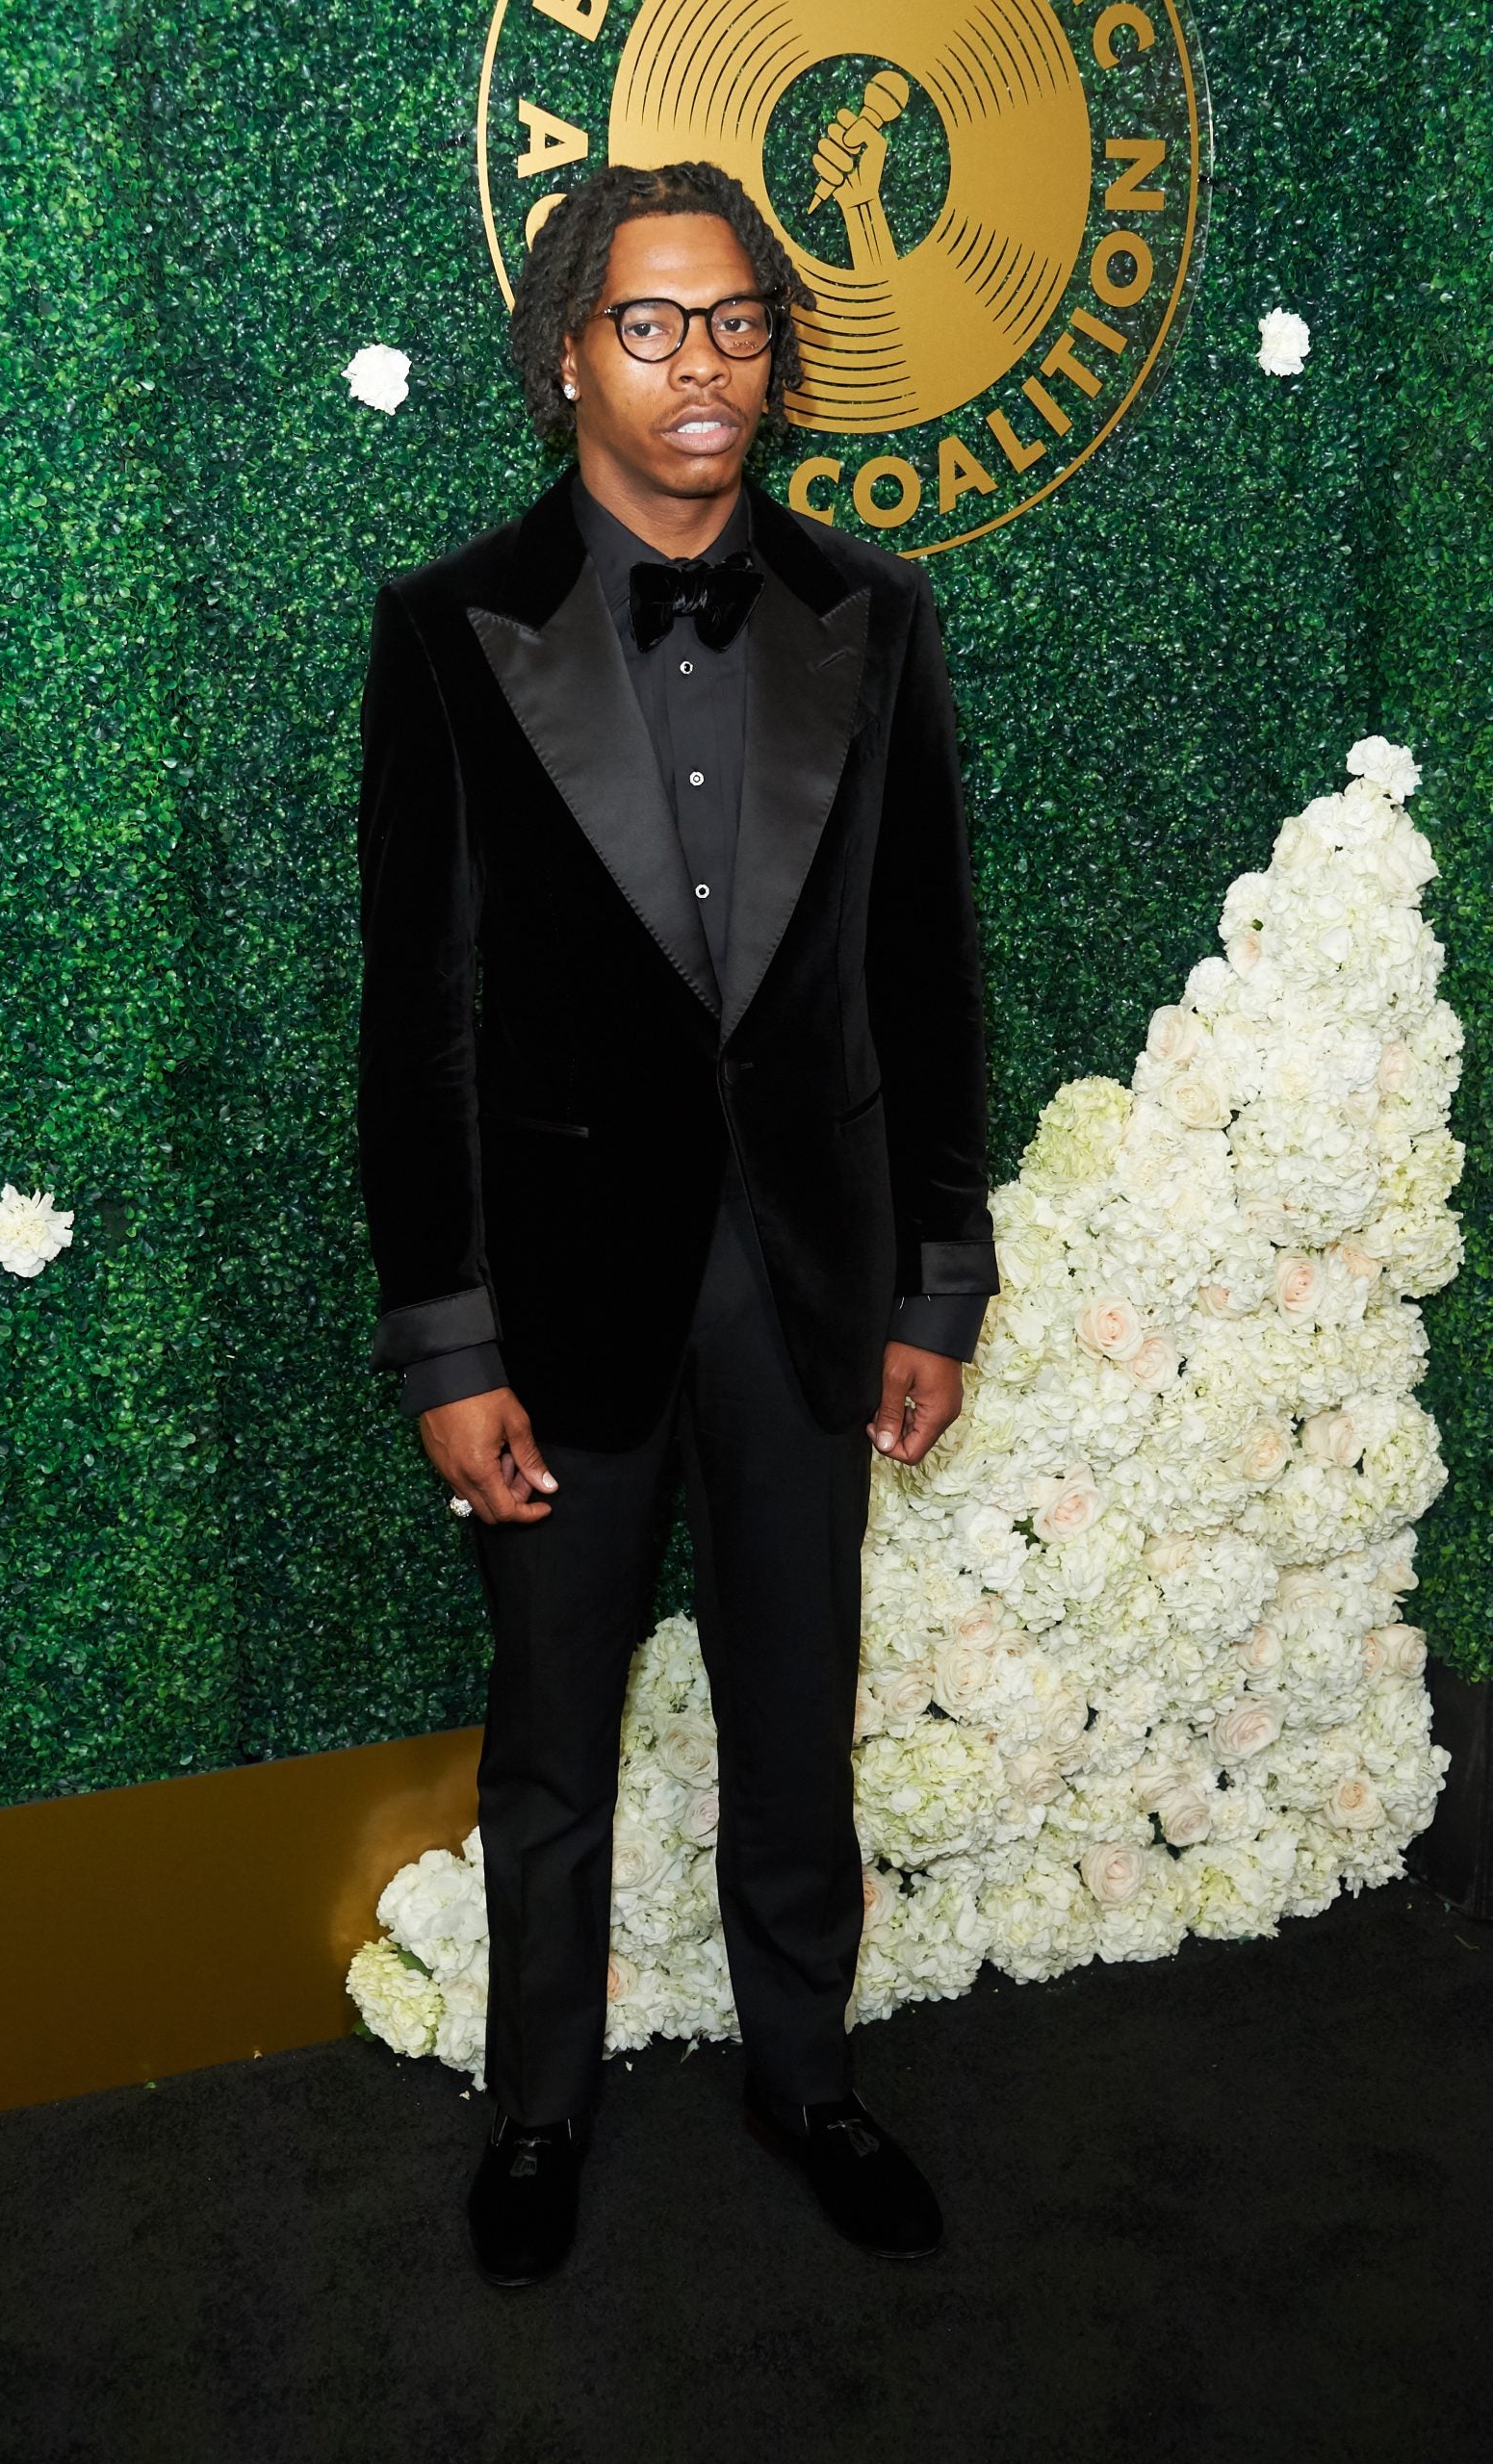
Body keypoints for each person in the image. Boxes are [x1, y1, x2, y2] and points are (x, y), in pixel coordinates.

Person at [354, 159, 998, 2288]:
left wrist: (934, 1283)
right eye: (649, 324)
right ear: (568, 357)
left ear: (775, 355)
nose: (699, 362)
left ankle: (807, 2074)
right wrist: (450, 1340)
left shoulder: (875, 613)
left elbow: (923, 974)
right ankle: (538, 2103)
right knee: (552, 1728)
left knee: (796, 1701)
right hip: (558, 1298)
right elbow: (416, 1022)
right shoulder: (447, 629)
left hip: (810, 1280)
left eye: (734, 321)